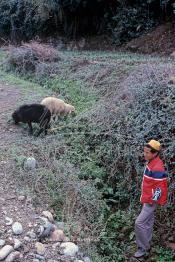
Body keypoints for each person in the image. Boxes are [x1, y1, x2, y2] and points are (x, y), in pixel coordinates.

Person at [134, 139, 168, 258]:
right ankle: (146, 243)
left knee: (139, 223)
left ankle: (143, 248)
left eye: (148, 152)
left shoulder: (157, 167)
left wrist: (151, 201)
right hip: (148, 198)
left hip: (150, 201)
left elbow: (160, 189)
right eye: (144, 151)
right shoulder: (151, 162)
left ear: (155, 153)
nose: (145, 154)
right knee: (147, 223)